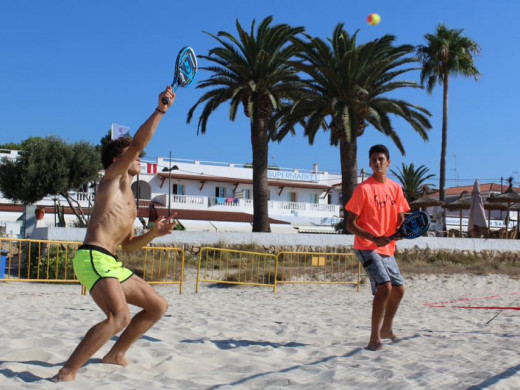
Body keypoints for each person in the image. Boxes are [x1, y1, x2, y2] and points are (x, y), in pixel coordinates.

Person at [52, 86, 177, 382]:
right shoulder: (111, 180)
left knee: (158, 306)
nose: (138, 158)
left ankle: (114, 354)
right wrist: (161, 110)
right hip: (92, 257)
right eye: (131, 156)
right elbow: (136, 144)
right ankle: (67, 372)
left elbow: (130, 247)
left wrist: (153, 234)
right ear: (115, 162)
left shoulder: (130, 201)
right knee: (119, 317)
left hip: (112, 261)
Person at [345, 144, 410, 351]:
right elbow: (350, 224)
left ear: (388, 162)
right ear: (370, 163)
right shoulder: (363, 189)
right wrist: (374, 237)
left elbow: (401, 218)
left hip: (387, 248)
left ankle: (386, 329)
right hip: (366, 246)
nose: (377, 162)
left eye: (381, 159)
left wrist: (403, 229)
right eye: (374, 159)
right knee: (384, 288)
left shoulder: (396, 189)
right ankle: (374, 339)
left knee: (398, 290)